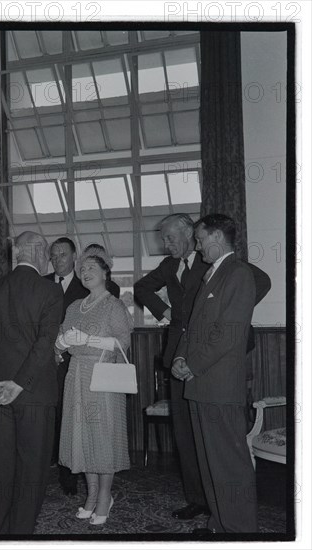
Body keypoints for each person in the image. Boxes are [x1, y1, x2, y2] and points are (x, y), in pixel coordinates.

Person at [134, 213, 271, 521]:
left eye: (171, 237)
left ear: (190, 233)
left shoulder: (224, 268)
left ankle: (228, 517)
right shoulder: (171, 267)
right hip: (182, 356)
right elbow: (141, 288)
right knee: (189, 436)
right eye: (164, 239)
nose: (166, 244)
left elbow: (257, 285)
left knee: (223, 448)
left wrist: (229, 312)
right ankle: (202, 502)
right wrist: (167, 312)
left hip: (215, 362)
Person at [0, 231, 63, 534]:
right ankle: (21, 535)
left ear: (17, 252)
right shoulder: (50, 291)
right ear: (37, 253)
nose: (49, 259)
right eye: (47, 254)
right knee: (31, 471)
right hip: (33, 394)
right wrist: (18, 384)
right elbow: (44, 344)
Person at [171, 214, 259, 533]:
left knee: (229, 466)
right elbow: (192, 328)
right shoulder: (211, 275)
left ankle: (238, 532)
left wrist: (192, 365)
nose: (196, 245)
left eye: (199, 238)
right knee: (209, 465)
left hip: (219, 387)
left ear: (217, 236)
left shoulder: (238, 273)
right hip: (199, 386)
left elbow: (228, 335)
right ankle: (219, 525)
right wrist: (180, 357)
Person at [56, 247, 133, 526]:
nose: (85, 273)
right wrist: (62, 343)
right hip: (75, 375)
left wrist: (88, 340)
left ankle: (104, 497)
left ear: (105, 272)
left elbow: (122, 343)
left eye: (91, 268)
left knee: (102, 437)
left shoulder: (115, 305)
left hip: (102, 376)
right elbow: (60, 343)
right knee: (82, 438)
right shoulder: (74, 307)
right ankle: (90, 496)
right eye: (82, 269)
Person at [45, 237, 89, 496]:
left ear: (75, 256)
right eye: (54, 255)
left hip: (75, 363)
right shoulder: (40, 284)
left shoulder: (86, 285)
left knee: (71, 419)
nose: (58, 259)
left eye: (63, 254)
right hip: (46, 363)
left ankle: (70, 476)